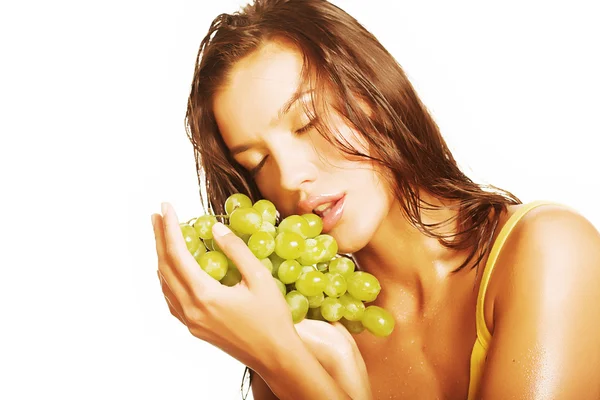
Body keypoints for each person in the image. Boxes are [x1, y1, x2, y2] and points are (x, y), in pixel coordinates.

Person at [151, 0, 600, 398]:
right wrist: (279, 359)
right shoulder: (306, 331)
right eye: (257, 162)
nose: (290, 177)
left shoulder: (550, 252)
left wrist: (288, 365)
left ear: (373, 95)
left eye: (307, 122)